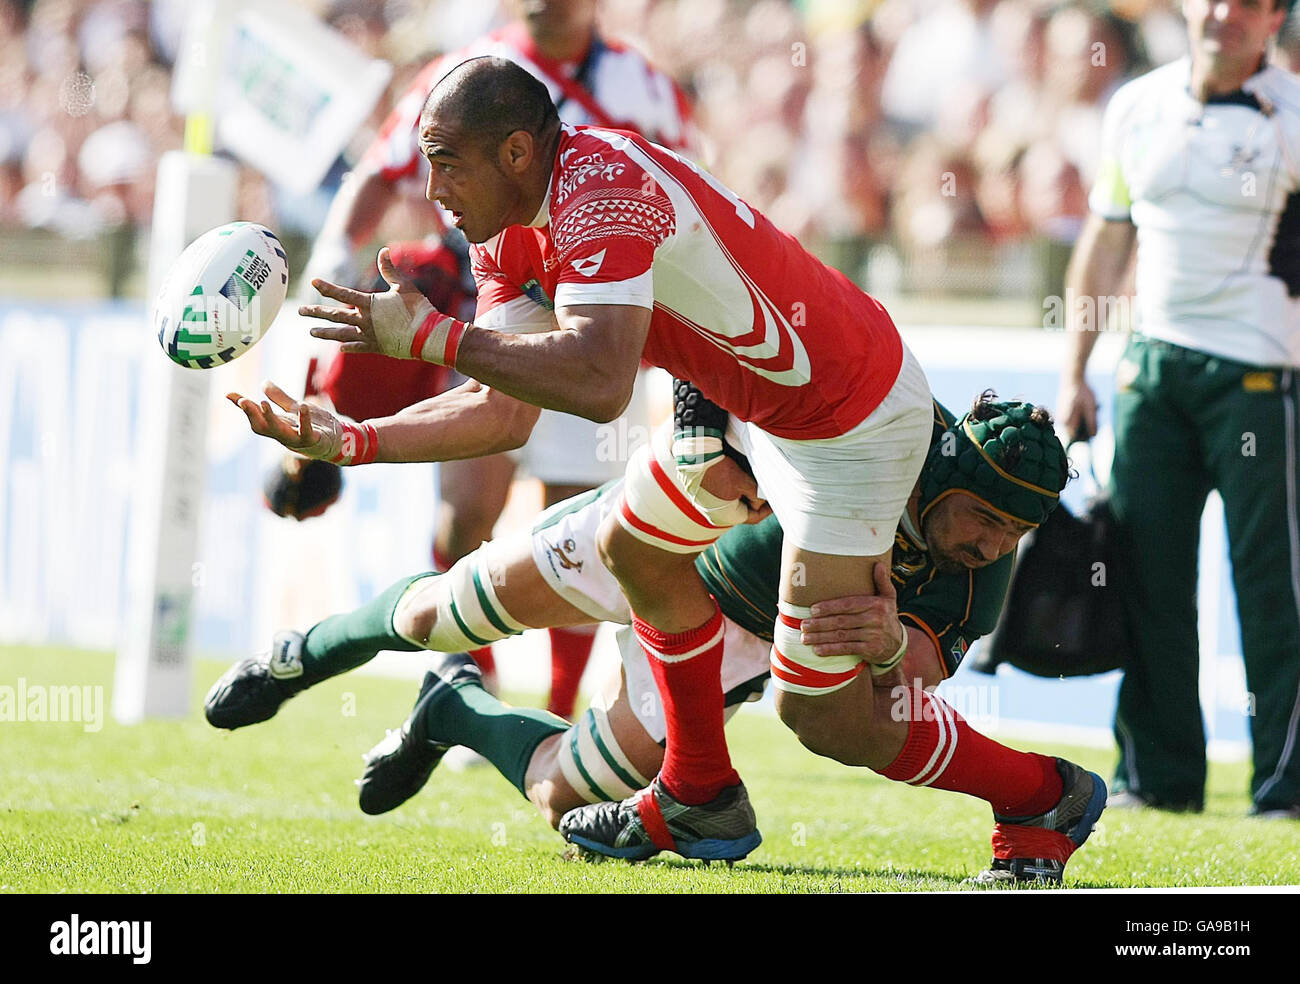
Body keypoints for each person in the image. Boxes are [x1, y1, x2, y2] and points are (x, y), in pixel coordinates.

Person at [207, 392, 1104, 884]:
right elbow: (719, 355)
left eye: (1010, 535)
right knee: (432, 614)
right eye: (982, 520)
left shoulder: (987, 573)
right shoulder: (873, 427)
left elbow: (909, 683)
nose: (990, 545)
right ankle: (304, 653)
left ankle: (454, 710)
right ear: (943, 474)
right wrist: (699, 444)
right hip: (666, 536)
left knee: (564, 796)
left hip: (741, 640)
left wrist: (880, 649)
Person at [289, 0, 697, 717]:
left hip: (598, 311)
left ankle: (560, 708)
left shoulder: (645, 83)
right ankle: (466, 684)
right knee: (465, 510)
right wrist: (329, 264)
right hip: (494, 290)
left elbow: (683, 185)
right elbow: (380, 170)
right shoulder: (467, 74)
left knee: (577, 520)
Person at [1058, 0, 1300, 818]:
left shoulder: (1293, 116)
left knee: (1273, 585)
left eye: (1248, 3)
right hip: (1150, 370)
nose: (1223, 13)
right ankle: (1157, 779)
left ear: (1275, 20)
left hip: (1261, 375)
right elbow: (1105, 241)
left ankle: (1286, 784)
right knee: (1145, 576)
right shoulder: (1138, 103)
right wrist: (1076, 371)